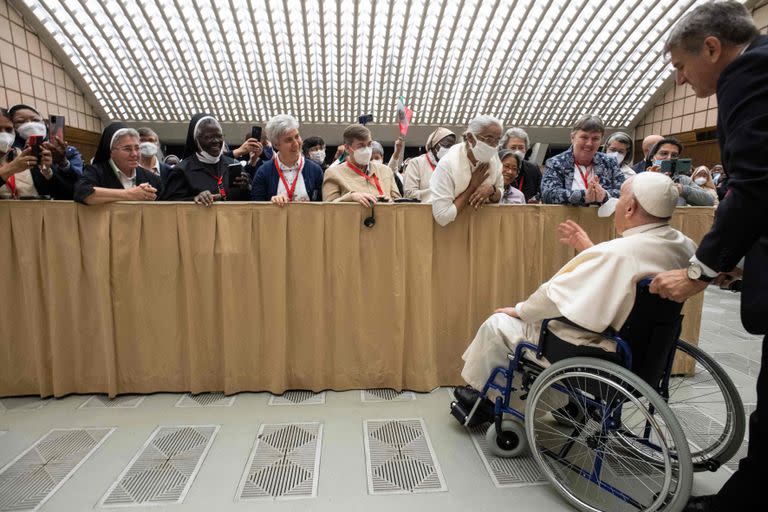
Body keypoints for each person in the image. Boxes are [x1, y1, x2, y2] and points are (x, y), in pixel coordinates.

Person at [456, 173, 696, 422]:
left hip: (602, 351)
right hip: (648, 354)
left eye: (621, 198)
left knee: (499, 324)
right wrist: (592, 251)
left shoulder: (616, 253)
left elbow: (553, 297)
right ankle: (563, 402)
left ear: (631, 208)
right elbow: (625, 275)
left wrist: (520, 310)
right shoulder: (685, 245)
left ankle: (491, 401)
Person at [650, 3, 768, 509]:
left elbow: (755, 185)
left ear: (714, 48)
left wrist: (700, 270)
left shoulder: (750, 72)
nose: (679, 80)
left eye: (680, 65)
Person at [160, 114, 253, 205]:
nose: (216, 141)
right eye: (209, 137)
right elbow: (168, 205)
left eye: (219, 136)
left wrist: (246, 188)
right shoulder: (181, 171)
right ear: (196, 140)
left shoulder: (234, 165)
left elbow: (248, 202)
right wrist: (194, 200)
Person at [430, 115, 504, 226]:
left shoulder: (494, 159)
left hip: (482, 226)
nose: (493, 146)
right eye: (489, 139)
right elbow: (442, 217)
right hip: (451, 230)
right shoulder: (448, 164)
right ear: (470, 137)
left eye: (497, 141)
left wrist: (491, 190)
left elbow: (500, 191)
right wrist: (472, 187)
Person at [540, 115, 625, 205]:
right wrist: (584, 195)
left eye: (595, 139)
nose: (589, 143)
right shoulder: (556, 163)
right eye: (584, 137)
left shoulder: (610, 163)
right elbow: (548, 194)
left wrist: (605, 195)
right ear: (573, 138)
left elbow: (626, 192)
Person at [74, 123, 161, 205]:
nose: (134, 154)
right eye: (127, 149)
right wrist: (130, 194)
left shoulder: (151, 178)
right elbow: (83, 192)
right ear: (111, 151)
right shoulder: (96, 172)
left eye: (137, 148)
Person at [250, 114, 323, 205]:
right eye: (289, 140)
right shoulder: (263, 172)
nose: (296, 143)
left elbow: (323, 207)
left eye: (297, 136)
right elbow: (256, 208)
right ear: (276, 145)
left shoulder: (315, 170)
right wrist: (270, 203)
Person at [322, 124, 401, 205]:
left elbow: (399, 203)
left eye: (369, 144)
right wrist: (350, 197)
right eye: (361, 145)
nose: (367, 149)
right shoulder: (333, 173)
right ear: (347, 148)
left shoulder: (386, 171)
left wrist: (392, 202)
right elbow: (328, 208)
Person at [0, 108, 70, 199]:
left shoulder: (24, 155)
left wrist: (47, 173)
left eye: (9, 129)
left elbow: (66, 194)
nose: (4, 134)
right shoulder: (18, 162)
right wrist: (10, 169)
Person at [7, 104, 84, 177]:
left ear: (45, 124)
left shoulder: (69, 152)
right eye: (20, 121)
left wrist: (63, 162)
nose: (30, 124)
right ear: (12, 127)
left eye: (35, 120)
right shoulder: (8, 153)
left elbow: (80, 180)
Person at [646, 138, 714, 206]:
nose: (669, 158)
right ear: (652, 157)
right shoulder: (640, 178)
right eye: (664, 153)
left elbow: (709, 201)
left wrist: (682, 189)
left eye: (674, 155)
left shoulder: (683, 180)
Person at [403, 127, 456, 201]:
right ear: (435, 145)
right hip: (422, 211)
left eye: (452, 147)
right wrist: (439, 192)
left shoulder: (453, 166)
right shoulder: (416, 163)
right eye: (446, 146)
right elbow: (409, 194)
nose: (449, 150)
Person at [499, 127, 542, 201]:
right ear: (504, 148)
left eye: (521, 147)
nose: (517, 151)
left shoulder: (533, 169)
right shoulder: (496, 167)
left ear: (526, 149)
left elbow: (541, 191)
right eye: (513, 147)